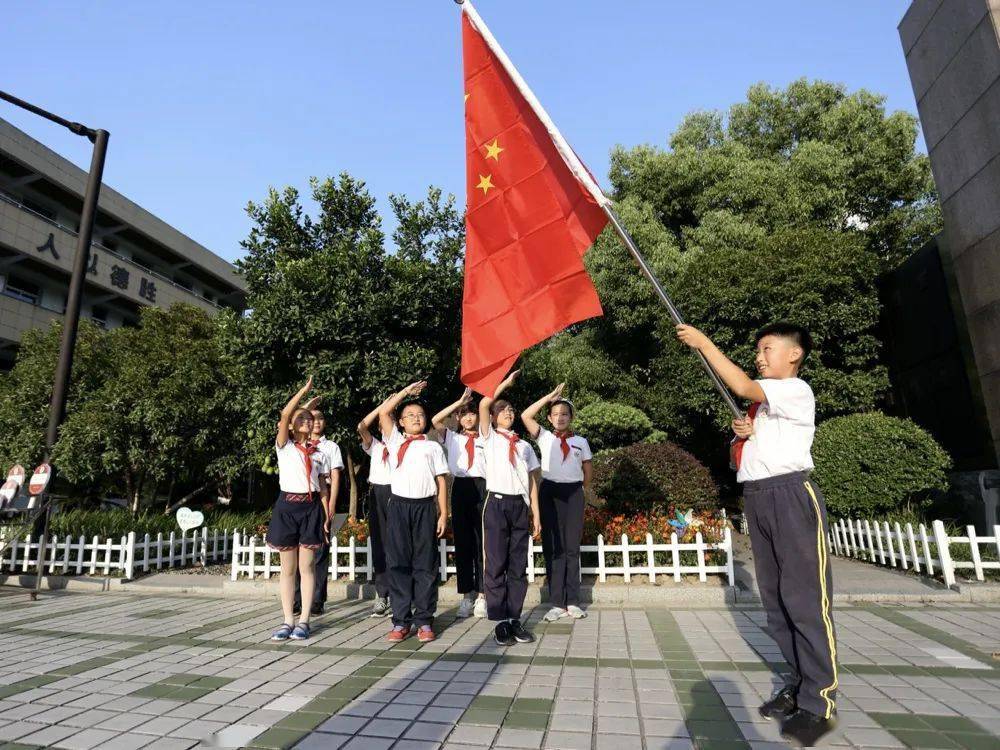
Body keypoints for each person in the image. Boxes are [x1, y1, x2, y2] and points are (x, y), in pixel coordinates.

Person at [677, 321, 837, 748]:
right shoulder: (765, 409)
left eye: (767, 348)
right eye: (759, 350)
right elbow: (749, 448)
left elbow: (746, 386)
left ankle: (819, 700)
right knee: (778, 603)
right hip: (759, 498)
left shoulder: (794, 389)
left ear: (794, 354)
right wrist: (745, 434)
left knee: (805, 599)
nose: (760, 356)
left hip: (790, 495)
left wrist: (705, 343)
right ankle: (797, 684)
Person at [378, 380, 449, 643]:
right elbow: (384, 412)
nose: (417, 418)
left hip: (424, 508)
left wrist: (443, 513)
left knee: (425, 565)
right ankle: (400, 620)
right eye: (410, 415)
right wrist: (406, 393)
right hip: (398, 507)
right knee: (398, 564)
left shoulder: (432, 446)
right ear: (401, 423)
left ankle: (425, 620)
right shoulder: (395, 441)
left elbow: (441, 481)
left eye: (420, 414)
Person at [478, 369, 541, 647]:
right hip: (496, 503)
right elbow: (482, 403)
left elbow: (531, 481)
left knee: (518, 566)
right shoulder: (489, 437)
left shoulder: (524, 446)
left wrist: (535, 512)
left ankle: (514, 618)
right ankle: (500, 622)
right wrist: (505, 383)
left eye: (510, 409)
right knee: (496, 564)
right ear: (493, 417)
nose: (507, 412)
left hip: (519, 506)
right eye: (502, 409)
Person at [521, 383, 592, 622]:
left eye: (565, 414)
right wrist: (549, 397)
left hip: (573, 493)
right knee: (553, 548)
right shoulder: (544, 437)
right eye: (556, 414)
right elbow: (526, 415)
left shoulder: (581, 441)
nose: (560, 417)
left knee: (571, 547)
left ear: (571, 417)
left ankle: (573, 601)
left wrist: (583, 490)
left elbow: (587, 468)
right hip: (550, 493)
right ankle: (557, 602)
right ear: (550, 418)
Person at [266, 377, 331, 642]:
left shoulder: (320, 452)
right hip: (286, 507)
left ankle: (304, 620)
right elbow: (285, 414)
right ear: (292, 426)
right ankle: (286, 620)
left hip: (311, 507)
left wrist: (326, 515)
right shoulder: (284, 447)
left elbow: (324, 488)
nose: (306, 421)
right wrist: (303, 392)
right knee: (287, 569)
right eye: (300, 418)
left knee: (307, 567)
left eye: (309, 418)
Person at [432, 387, 488, 619]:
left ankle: (484, 595)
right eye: (463, 414)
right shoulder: (452, 437)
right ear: (457, 417)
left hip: (483, 486)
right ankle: (467, 594)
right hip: (461, 487)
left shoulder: (487, 436)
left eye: (472, 413)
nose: (468, 417)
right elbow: (435, 420)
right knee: (464, 543)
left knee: (482, 543)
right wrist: (459, 401)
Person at [290, 402, 343, 617]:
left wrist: (330, 507)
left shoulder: (331, 447)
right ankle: (296, 599)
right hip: (299, 499)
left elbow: (335, 477)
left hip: (323, 497)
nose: (316, 422)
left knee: (319, 551)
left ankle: (316, 599)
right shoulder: (295, 444)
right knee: (296, 550)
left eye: (320, 418)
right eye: (311, 418)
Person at [358, 405, 393, 617]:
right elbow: (361, 426)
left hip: (398, 493)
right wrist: (381, 408)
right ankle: (382, 594)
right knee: (379, 544)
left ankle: (400, 594)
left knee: (398, 544)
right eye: (382, 423)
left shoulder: (404, 445)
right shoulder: (375, 446)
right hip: (377, 494)